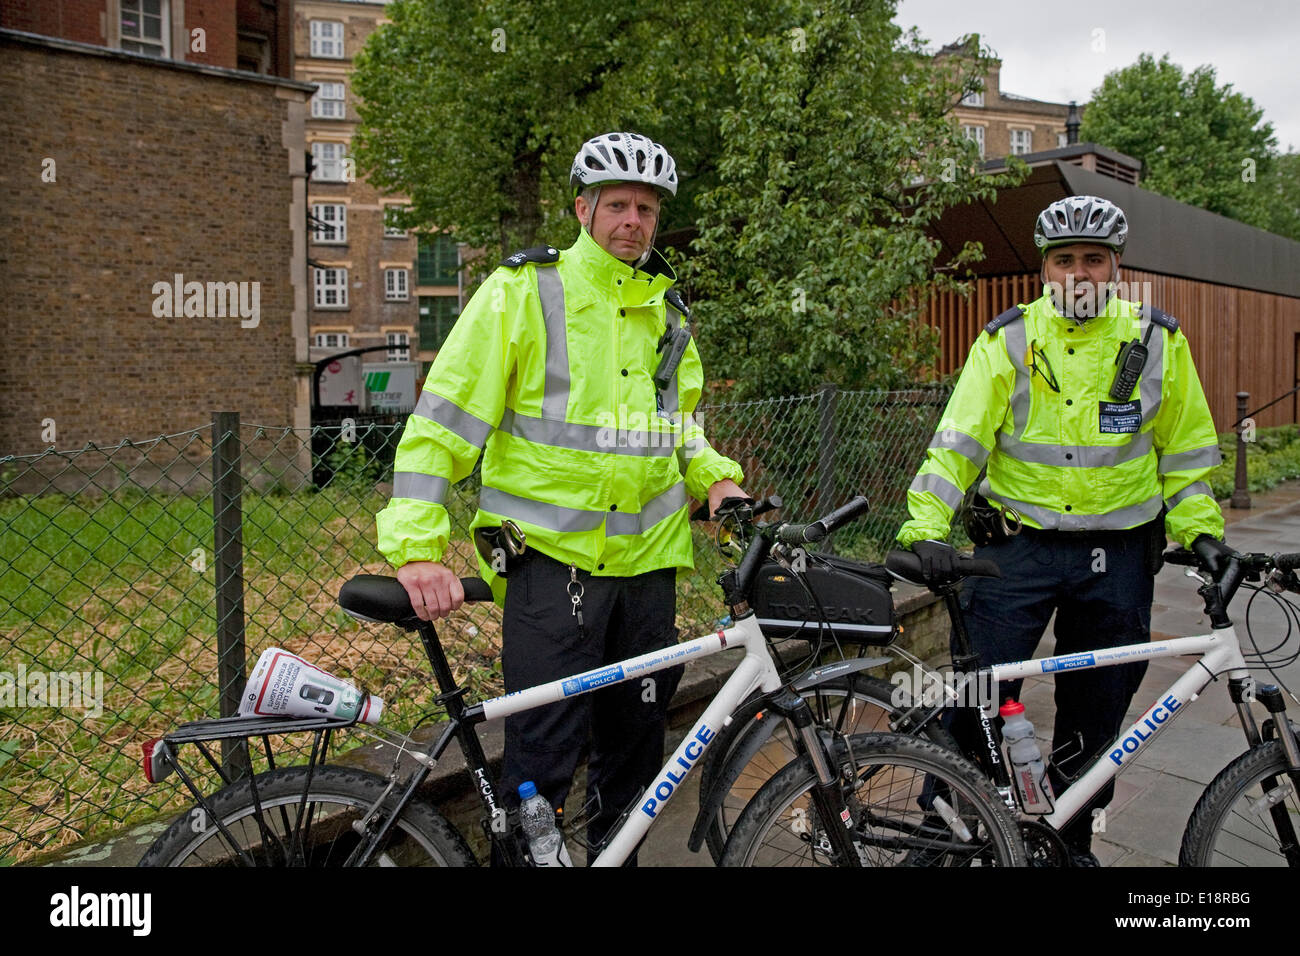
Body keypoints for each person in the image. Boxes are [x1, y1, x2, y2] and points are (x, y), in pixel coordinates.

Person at [375, 131, 745, 860]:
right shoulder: (523, 291)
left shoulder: (669, 314)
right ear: (583, 209)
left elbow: (680, 430)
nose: (632, 220)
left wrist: (715, 478)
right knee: (538, 776)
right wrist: (417, 547)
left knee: (637, 771)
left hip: (646, 576)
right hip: (551, 571)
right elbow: (441, 424)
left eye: (646, 207)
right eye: (617, 205)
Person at [896, 194, 1231, 866]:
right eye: (1064, 260)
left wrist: (1202, 531)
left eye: (1094, 260)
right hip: (1018, 551)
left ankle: (1069, 843)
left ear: (1115, 267)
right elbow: (957, 444)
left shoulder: (1157, 340)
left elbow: (1186, 455)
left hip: (1120, 555)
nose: (1079, 274)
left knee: (1096, 714)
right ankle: (945, 836)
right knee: (977, 697)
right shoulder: (1008, 340)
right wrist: (923, 528)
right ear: (1045, 269)